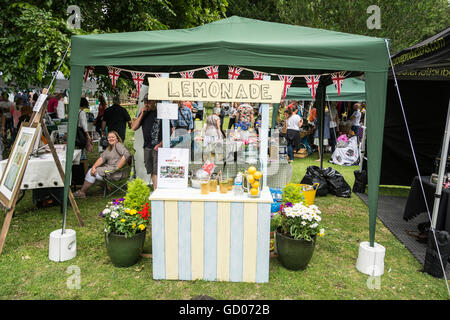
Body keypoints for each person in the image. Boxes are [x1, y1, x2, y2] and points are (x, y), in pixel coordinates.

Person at [73, 130, 130, 198]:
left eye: (113, 137)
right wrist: (94, 167)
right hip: (110, 170)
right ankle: (105, 188)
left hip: (117, 173)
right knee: (93, 170)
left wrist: (118, 167)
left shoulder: (118, 145)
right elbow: (101, 158)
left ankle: (82, 192)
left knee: (91, 173)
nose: (111, 139)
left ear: (117, 138)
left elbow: (126, 154)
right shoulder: (109, 148)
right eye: (109, 137)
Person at [131, 97, 162, 190]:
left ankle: (157, 191)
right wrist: (142, 114)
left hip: (158, 146)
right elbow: (134, 127)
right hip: (147, 146)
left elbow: (170, 130)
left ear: (154, 101)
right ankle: (156, 189)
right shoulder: (144, 113)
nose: (146, 104)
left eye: (148, 101)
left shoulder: (160, 112)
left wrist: (161, 143)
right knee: (152, 170)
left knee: (157, 170)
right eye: (145, 102)